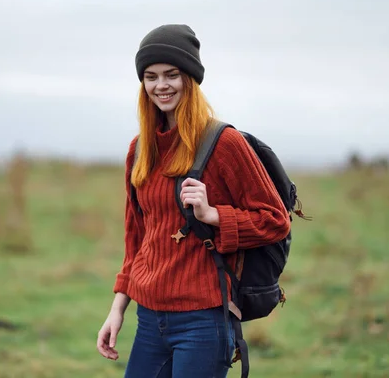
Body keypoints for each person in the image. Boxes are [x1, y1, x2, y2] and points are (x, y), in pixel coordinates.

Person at [97, 24, 291, 378]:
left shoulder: (224, 143)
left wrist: (214, 215)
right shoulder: (139, 150)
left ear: (190, 78)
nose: (161, 85)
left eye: (172, 74)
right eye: (151, 76)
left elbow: (276, 220)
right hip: (149, 320)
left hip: (204, 322)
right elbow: (137, 240)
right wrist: (117, 309)